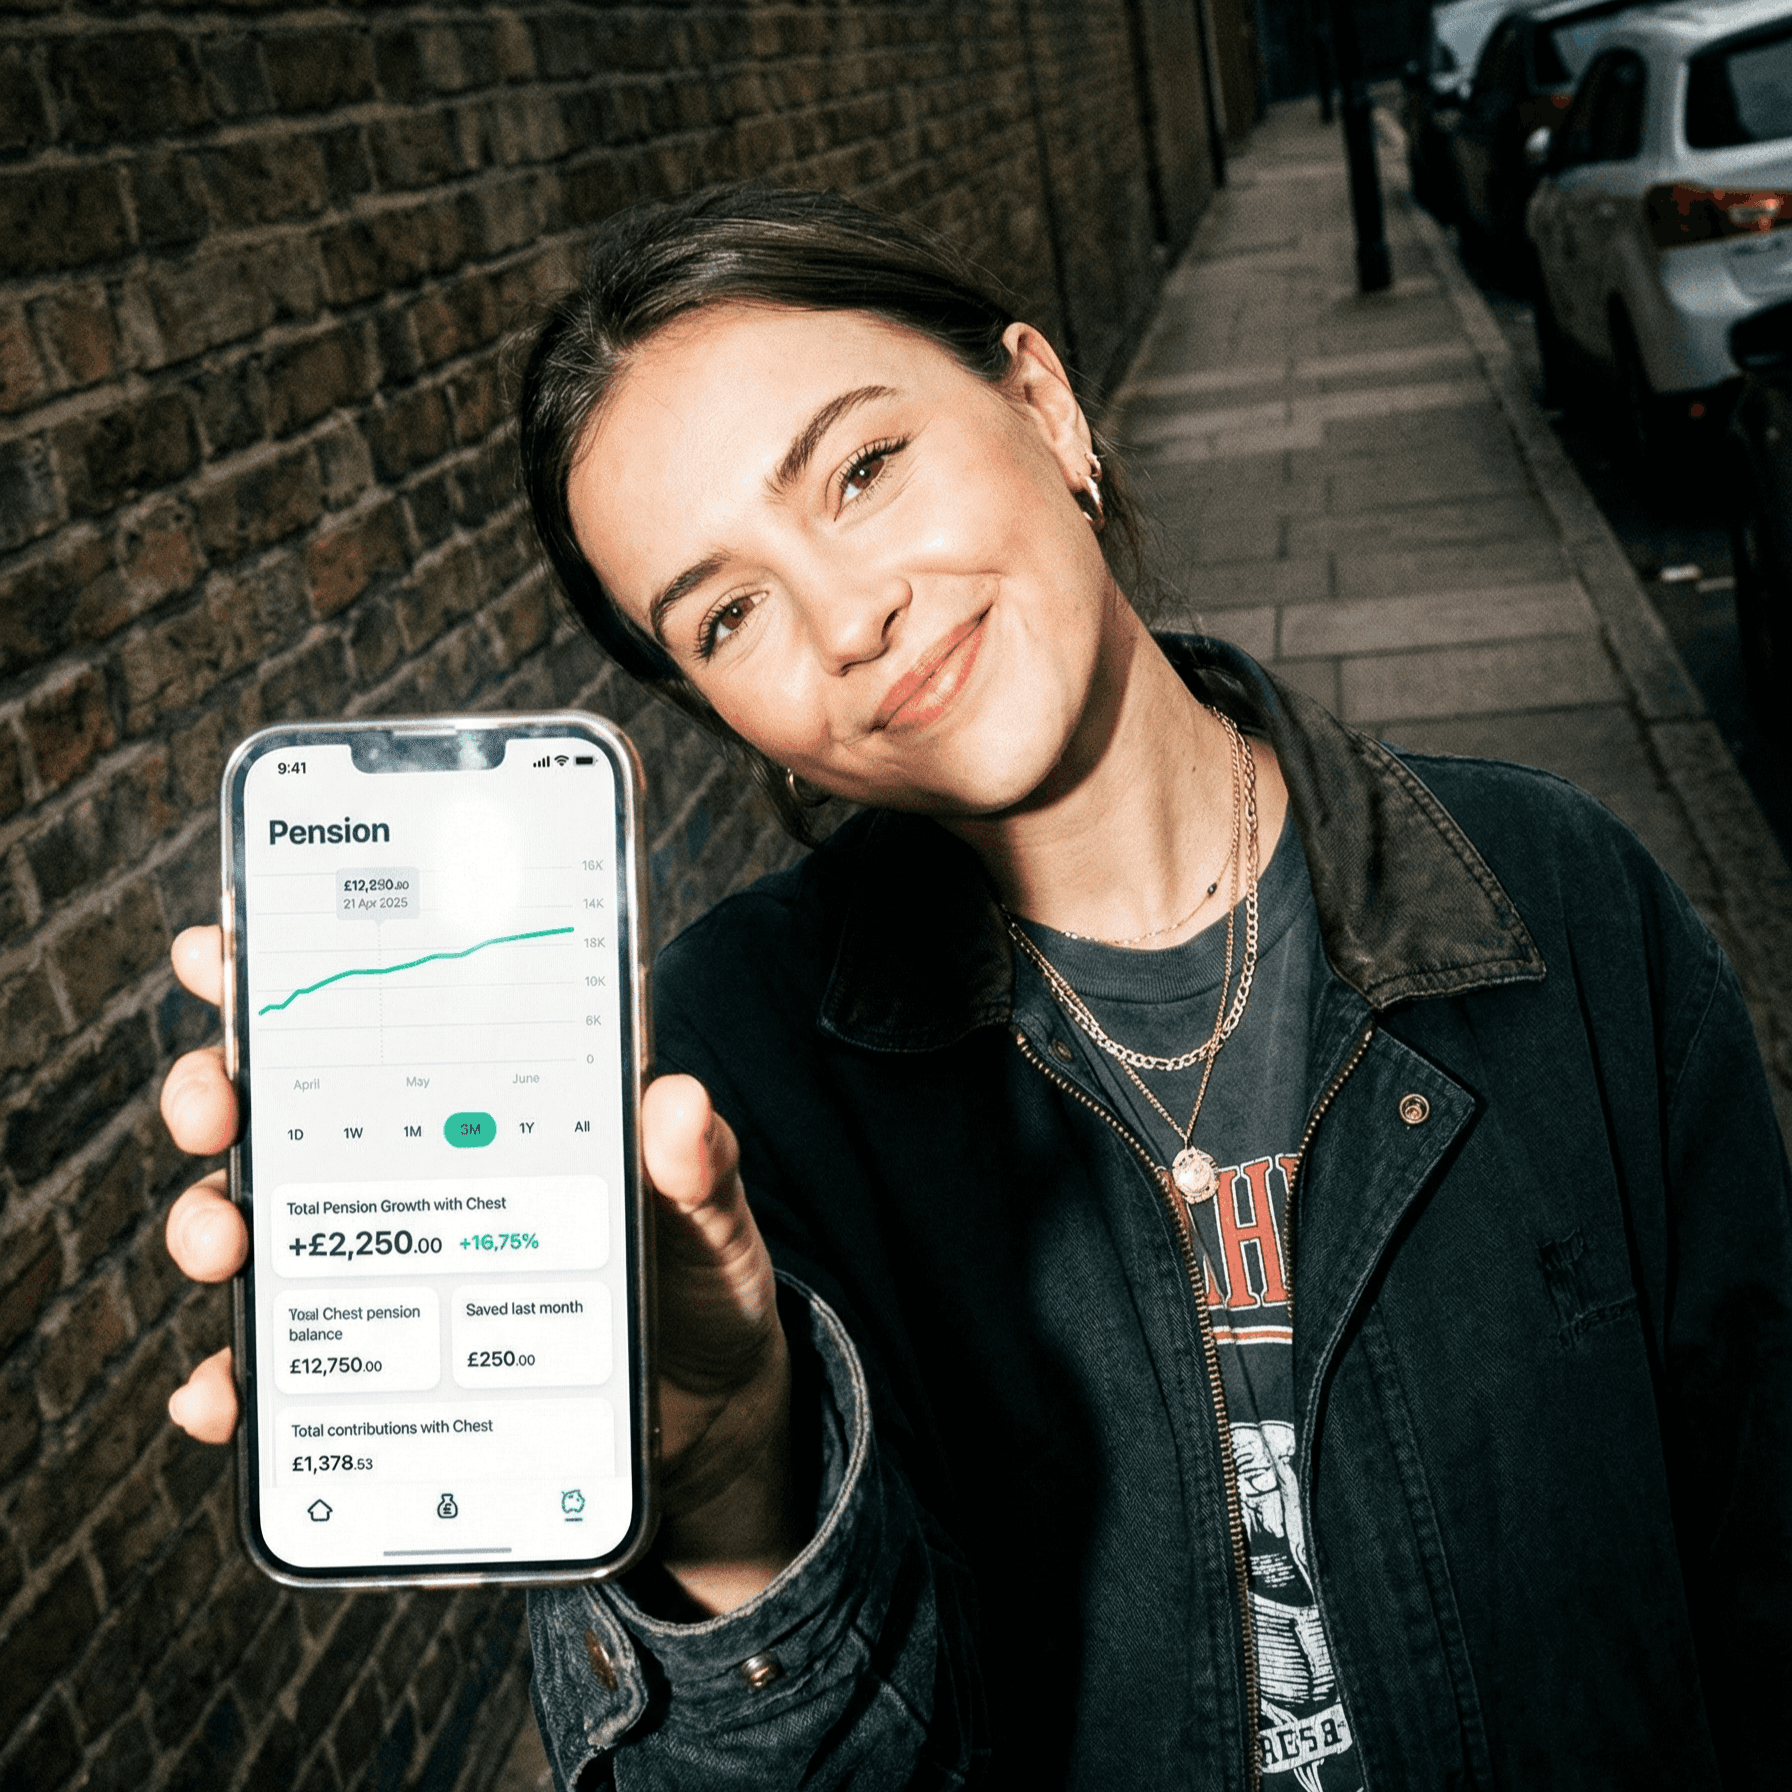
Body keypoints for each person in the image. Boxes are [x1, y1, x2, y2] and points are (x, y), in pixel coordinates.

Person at [159, 187, 1792, 1791]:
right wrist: (734, 1494)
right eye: (728, 614)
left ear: (1042, 402)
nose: (850, 617)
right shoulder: (714, 1084)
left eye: (862, 469)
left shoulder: (1552, 897)